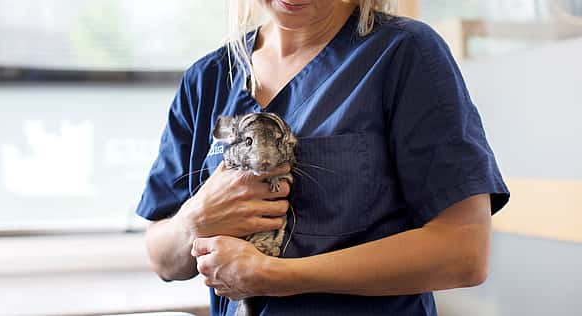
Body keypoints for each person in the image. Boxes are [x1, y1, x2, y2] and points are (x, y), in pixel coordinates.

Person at [135, 1, 510, 315]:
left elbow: (463, 252)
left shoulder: (403, 53)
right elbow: (162, 257)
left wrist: (274, 275)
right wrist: (196, 219)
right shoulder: (207, 80)